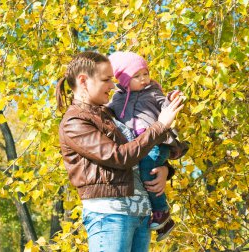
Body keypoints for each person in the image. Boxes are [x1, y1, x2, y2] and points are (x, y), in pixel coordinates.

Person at [56, 51, 184, 252]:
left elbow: (138, 150)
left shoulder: (110, 112)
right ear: (83, 80)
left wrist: (165, 170)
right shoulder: (75, 121)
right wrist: (160, 126)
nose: (112, 85)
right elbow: (119, 156)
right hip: (110, 216)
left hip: (140, 213)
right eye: (106, 79)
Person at [108, 51, 188, 241]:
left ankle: (161, 211)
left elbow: (165, 103)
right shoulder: (117, 99)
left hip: (156, 142)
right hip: (137, 146)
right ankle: (163, 220)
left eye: (145, 73)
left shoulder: (153, 91)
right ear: (124, 80)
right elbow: (107, 111)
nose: (144, 79)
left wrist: (172, 97)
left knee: (148, 172)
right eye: (137, 76)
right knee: (146, 173)